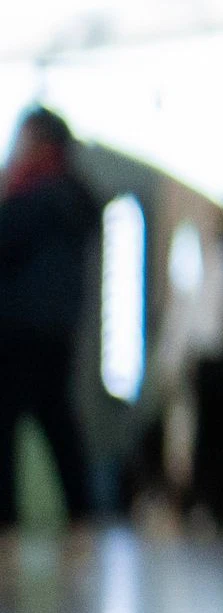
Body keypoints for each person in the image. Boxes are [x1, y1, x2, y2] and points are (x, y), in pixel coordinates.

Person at [0, 108, 107, 525]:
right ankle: (84, 512)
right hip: (54, 331)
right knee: (57, 422)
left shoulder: (38, 197)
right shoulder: (73, 197)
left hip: (21, 329)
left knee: (18, 424)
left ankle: (10, 518)